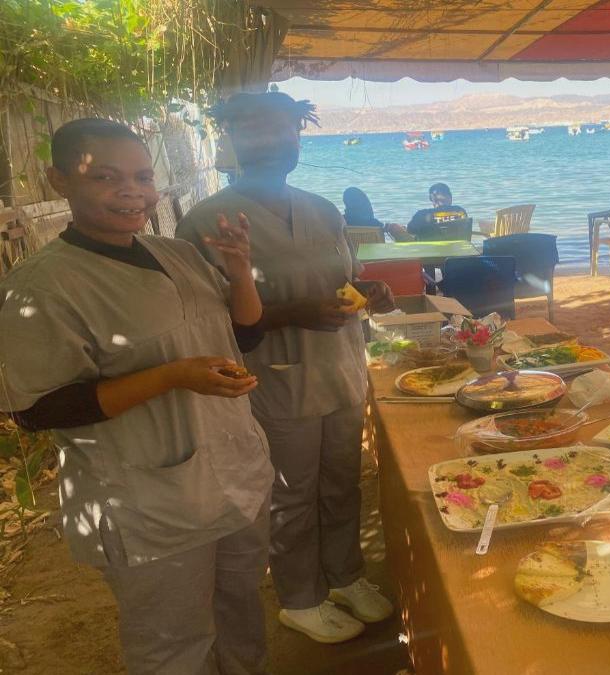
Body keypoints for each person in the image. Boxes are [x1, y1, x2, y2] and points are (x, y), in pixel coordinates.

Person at [0, 119, 274, 673]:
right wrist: (171, 376)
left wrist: (240, 272)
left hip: (236, 472)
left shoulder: (179, 253)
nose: (133, 192)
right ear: (58, 181)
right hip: (148, 500)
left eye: (143, 177)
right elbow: (35, 409)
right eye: (105, 177)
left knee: (242, 611)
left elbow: (244, 334)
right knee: (174, 645)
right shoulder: (43, 286)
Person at [177, 92, 395, 645]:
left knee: (342, 485)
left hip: (341, 372)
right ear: (231, 138)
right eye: (257, 130)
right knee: (292, 494)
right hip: (273, 382)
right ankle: (301, 598)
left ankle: (345, 576)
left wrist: (369, 289)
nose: (275, 140)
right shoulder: (206, 221)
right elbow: (203, 321)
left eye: (286, 129)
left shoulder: (322, 210)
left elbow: (344, 276)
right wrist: (292, 313)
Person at [392, 182, 468, 240]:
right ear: (450, 198)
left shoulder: (421, 215)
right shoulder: (460, 211)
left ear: (432, 199)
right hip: (458, 253)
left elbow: (410, 231)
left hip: (430, 254)